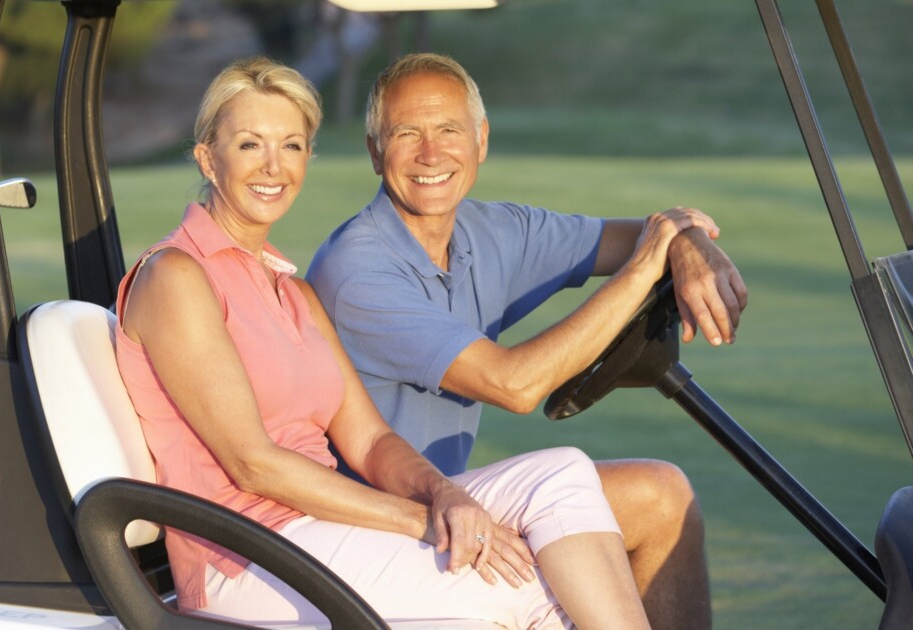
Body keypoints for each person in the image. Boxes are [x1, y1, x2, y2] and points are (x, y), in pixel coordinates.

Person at [114, 56, 711, 627]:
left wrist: (446, 497)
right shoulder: (177, 276)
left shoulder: (290, 291)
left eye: (290, 146)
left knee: (562, 475)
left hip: (318, 532)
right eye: (250, 145)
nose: (273, 166)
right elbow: (254, 464)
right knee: (530, 584)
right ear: (207, 159)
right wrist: (421, 521)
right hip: (246, 557)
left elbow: (370, 439)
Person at [307, 52, 748, 630]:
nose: (431, 154)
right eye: (406, 134)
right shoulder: (357, 270)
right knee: (580, 541)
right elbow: (514, 385)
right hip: (375, 526)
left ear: (481, 139)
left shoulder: (491, 231)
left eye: (449, 131)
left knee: (663, 498)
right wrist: (645, 268)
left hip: (449, 498)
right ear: (373, 151)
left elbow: (635, 236)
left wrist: (685, 239)